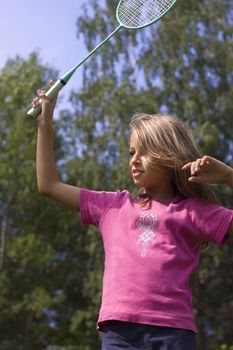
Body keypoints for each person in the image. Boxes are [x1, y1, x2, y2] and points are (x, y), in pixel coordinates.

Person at [32, 81, 233, 350]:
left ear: (170, 155)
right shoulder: (112, 207)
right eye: (131, 152)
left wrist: (229, 176)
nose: (134, 160)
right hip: (119, 334)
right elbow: (48, 185)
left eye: (144, 151)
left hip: (174, 333)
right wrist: (45, 125)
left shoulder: (192, 211)